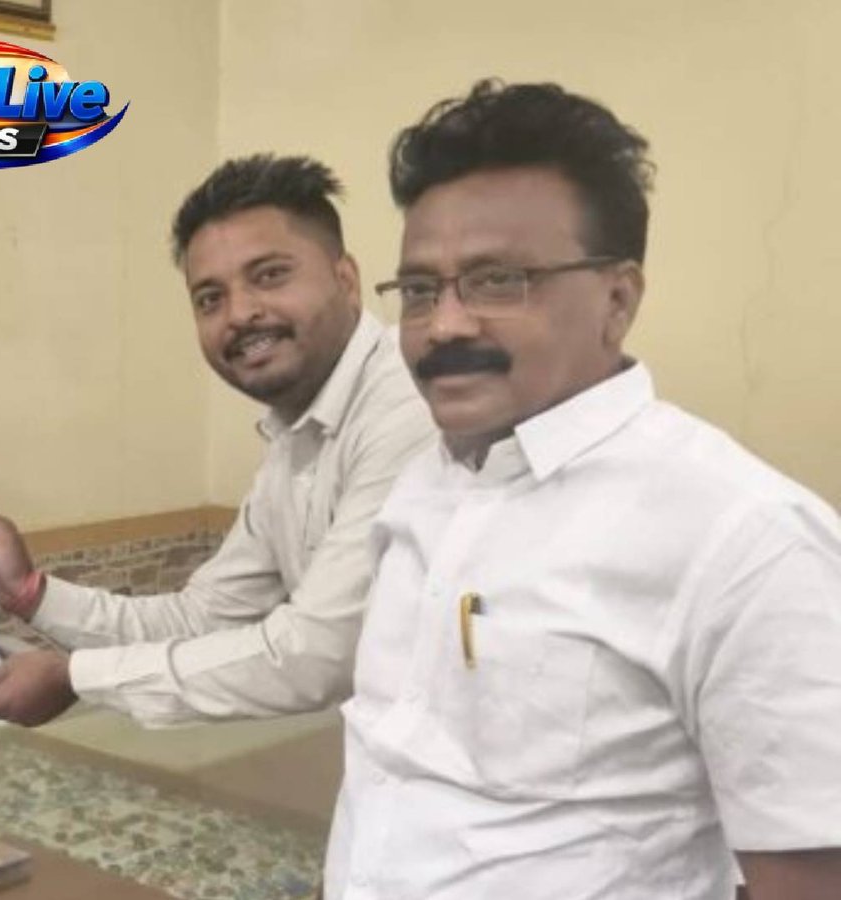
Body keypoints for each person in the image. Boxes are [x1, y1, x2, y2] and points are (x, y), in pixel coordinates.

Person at [326, 80, 841, 899]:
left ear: (618, 299)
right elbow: (392, 775)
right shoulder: (425, 483)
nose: (444, 324)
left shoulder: (746, 539)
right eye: (420, 290)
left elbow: (809, 877)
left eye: (498, 280)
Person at [0, 155, 434, 727]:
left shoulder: (411, 402)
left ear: (347, 280)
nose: (240, 314)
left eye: (270, 275)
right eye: (210, 297)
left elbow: (317, 655)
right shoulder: (295, 434)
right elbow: (201, 618)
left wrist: (74, 678)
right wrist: (28, 592)